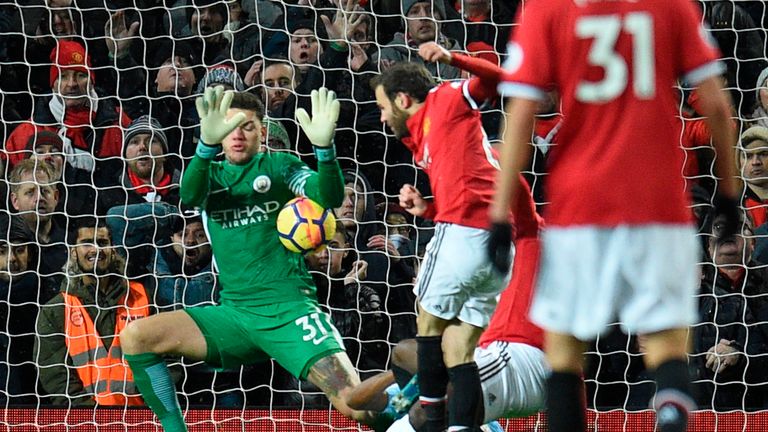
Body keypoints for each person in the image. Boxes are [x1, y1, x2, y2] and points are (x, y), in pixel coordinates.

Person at [487, 2, 740, 431]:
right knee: (665, 347)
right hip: (659, 201)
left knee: (564, 353)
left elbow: (521, 115)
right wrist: (730, 195)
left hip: (579, 205)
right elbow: (716, 105)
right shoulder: (671, 7)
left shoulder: (546, 11)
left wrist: (499, 215)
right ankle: (673, 411)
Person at [117, 86, 378, 431]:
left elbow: (327, 196)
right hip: (235, 315)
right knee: (136, 337)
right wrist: (205, 147)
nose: (238, 134)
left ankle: (416, 410)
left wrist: (325, 151)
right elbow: (189, 194)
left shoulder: (281, 167)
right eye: (229, 127)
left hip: (290, 311)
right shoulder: (210, 176)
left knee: (354, 405)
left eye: (248, 126)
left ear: (262, 132)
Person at [372, 43, 512, 431]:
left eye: (384, 108)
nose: (383, 118)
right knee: (459, 350)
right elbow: (471, 188)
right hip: (496, 245)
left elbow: (499, 78)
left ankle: (432, 424)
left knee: (428, 329)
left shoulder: (446, 97)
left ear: (403, 99)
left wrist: (453, 60)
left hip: (463, 237)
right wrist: (427, 208)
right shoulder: (422, 139)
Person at [347, 175, 549, 432]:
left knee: (429, 396)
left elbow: (512, 192)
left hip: (523, 358)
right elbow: (355, 400)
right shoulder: (488, 264)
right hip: (499, 359)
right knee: (413, 380)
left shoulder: (530, 236)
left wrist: (493, 158)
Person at [34, 217, 155, 406]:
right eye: (86, 243)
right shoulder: (55, 310)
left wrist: (147, 401)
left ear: (113, 250)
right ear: (73, 252)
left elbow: (169, 356)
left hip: (142, 414)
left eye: (102, 242)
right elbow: (56, 377)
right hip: (85, 419)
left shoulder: (145, 297)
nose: (95, 249)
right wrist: (93, 415)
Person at [693, 211, 768, 410]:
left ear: (753, 243)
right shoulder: (691, 294)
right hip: (703, 408)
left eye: (739, 227)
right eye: (719, 228)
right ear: (709, 247)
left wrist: (739, 354)